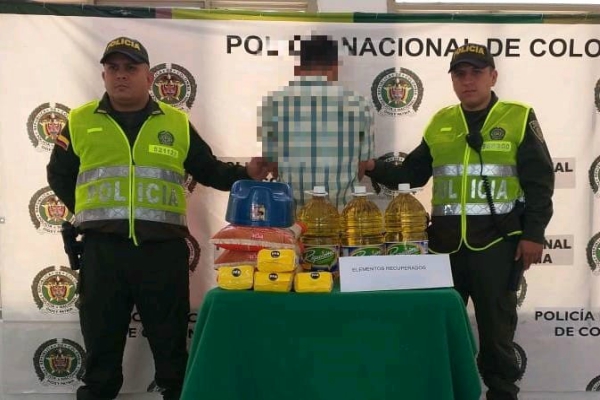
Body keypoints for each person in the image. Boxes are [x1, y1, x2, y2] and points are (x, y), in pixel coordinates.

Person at [46, 36, 269, 400]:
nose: (121, 75)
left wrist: (246, 173)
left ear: (149, 77)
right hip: (103, 252)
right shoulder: (80, 121)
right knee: (100, 356)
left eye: (130, 68)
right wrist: (87, 214)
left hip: (161, 253)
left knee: (171, 353)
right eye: (113, 68)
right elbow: (58, 174)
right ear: (103, 76)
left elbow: (209, 169)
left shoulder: (176, 122)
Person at [362, 43, 554, 400]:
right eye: (460, 74)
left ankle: (502, 393)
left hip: (498, 245)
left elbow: (540, 182)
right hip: (445, 248)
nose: (468, 81)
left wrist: (534, 234)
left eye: (476, 73)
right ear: (452, 80)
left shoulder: (518, 116)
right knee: (439, 330)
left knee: (496, 334)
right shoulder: (441, 121)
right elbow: (413, 173)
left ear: (492, 76)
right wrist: (374, 167)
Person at [258, 34, 375, 210]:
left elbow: (272, 165)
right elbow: (362, 165)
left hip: (291, 215)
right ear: (334, 67)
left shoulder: (273, 103)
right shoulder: (360, 104)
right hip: (342, 214)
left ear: (299, 67)